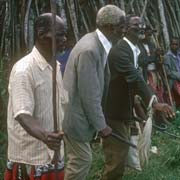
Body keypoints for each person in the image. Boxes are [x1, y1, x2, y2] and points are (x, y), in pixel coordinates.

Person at [103, 15, 175, 180]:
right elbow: (134, 76)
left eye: (142, 24)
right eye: (135, 25)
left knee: (122, 153)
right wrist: (155, 102)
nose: (141, 27)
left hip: (126, 107)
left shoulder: (136, 50)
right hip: (113, 110)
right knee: (116, 158)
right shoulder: (120, 51)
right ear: (125, 29)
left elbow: (138, 78)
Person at [62, 5, 125, 180]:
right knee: (81, 160)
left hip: (79, 116)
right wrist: (101, 126)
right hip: (76, 118)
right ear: (111, 27)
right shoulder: (90, 50)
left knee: (79, 160)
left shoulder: (97, 44)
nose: (124, 30)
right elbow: (90, 95)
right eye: (122, 26)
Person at [4, 13, 68, 179]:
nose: (65, 39)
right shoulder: (24, 70)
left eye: (64, 34)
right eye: (60, 35)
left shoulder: (55, 66)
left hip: (52, 154)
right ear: (41, 35)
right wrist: (45, 136)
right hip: (31, 157)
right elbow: (22, 114)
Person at [164, 37, 180, 106]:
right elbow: (168, 72)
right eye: (173, 44)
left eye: (176, 44)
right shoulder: (167, 56)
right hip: (174, 79)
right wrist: (178, 75)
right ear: (170, 45)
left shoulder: (179, 54)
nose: (174, 46)